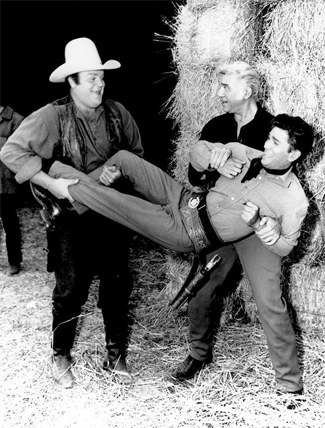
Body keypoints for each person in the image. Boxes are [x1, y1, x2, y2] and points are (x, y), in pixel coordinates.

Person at [3, 113, 313, 395]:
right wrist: (212, 157)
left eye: (275, 142)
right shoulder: (248, 154)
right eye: (268, 137)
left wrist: (263, 225)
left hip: (189, 232)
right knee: (124, 159)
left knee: (117, 205)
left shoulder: (292, 200)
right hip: (187, 201)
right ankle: (72, 192)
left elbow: (286, 246)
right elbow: (196, 151)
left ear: (294, 154)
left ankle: (59, 185)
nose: (265, 145)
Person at [0, 37, 144, 388]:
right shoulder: (52, 115)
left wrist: (119, 172)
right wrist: (52, 184)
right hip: (71, 215)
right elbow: (12, 153)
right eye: (90, 78)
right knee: (70, 288)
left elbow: (137, 155)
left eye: (101, 77)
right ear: (72, 82)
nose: (99, 84)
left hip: (112, 212)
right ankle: (61, 355)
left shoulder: (117, 113)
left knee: (117, 282)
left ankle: (116, 353)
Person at [170, 61, 308, 396]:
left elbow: (282, 186)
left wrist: (268, 223)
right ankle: (198, 355)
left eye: (225, 87)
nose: (218, 94)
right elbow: (193, 175)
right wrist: (209, 164)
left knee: (269, 302)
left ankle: (289, 385)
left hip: (255, 229)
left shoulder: (272, 129)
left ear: (245, 91)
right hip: (221, 223)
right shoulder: (216, 126)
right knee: (200, 293)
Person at [0, 105, 24, 275]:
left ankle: (14, 262)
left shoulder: (16, 119)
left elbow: (22, 149)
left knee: (10, 221)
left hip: (6, 181)